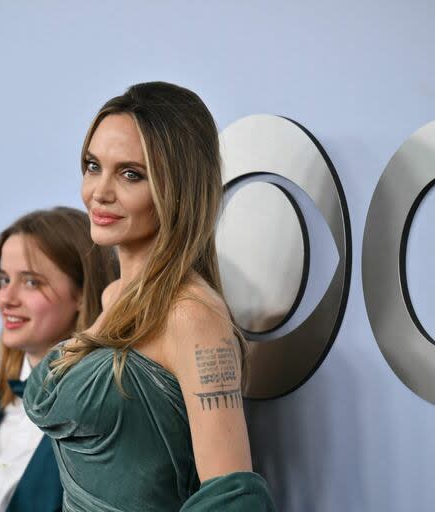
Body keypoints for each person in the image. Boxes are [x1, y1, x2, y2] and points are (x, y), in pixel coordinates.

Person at [23, 82, 275, 510]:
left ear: (176, 188)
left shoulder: (191, 315)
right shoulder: (113, 296)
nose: (99, 192)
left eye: (130, 174)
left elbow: (232, 499)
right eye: (92, 166)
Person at [0, 207, 117, 512]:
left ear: (82, 294)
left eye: (31, 282)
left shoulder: (108, 410)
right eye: (3, 280)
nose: (5, 298)